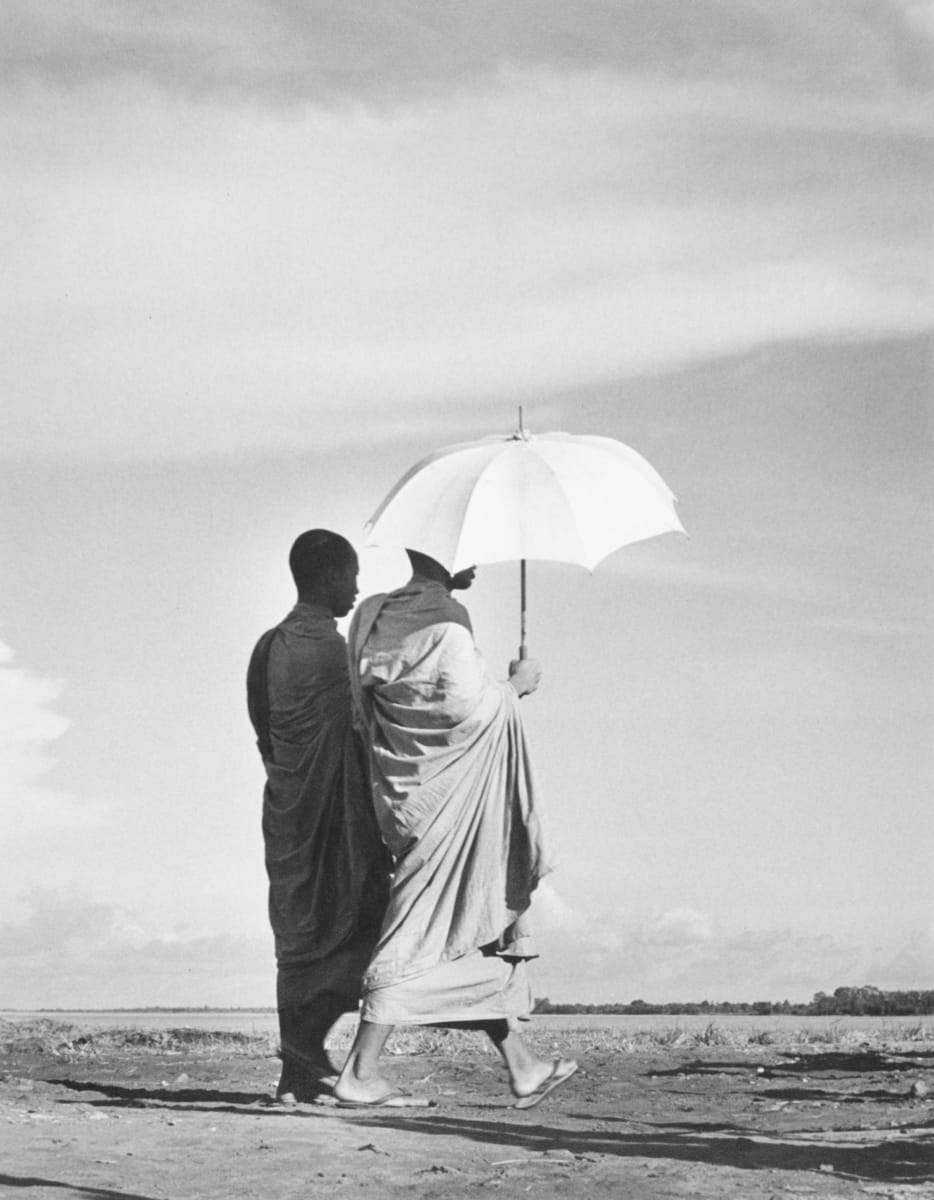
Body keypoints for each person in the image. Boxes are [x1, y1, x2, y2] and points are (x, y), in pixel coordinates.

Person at [333, 549, 577, 1109]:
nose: (479, 565)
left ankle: (524, 1066)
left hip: (403, 796)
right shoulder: (448, 623)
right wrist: (515, 687)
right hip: (445, 803)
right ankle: (359, 1073)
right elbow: (464, 711)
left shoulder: (373, 613)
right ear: (448, 557)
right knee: (418, 935)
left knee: (459, 933)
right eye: (473, 556)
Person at [247, 530, 390, 1104]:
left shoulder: (267, 647)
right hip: (341, 822)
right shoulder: (342, 654)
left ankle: (296, 1072)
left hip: (288, 814)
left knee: (297, 938)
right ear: (330, 576)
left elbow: (264, 737)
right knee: (363, 928)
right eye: (352, 575)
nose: (357, 588)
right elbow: (376, 731)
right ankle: (323, 1066)